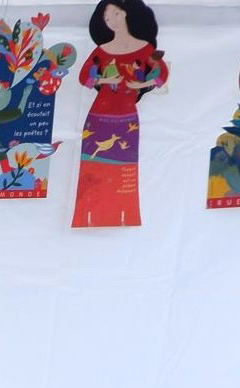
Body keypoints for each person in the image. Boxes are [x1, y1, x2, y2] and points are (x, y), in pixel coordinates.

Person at [70, 0, 169, 227]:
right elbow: (84, 78)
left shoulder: (145, 49)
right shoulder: (102, 51)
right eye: (106, 18)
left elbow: (162, 74)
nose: (111, 20)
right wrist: (105, 80)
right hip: (98, 117)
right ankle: (88, 218)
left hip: (127, 119)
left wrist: (141, 85)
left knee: (124, 170)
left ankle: (123, 217)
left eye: (114, 13)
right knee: (94, 169)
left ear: (125, 13)